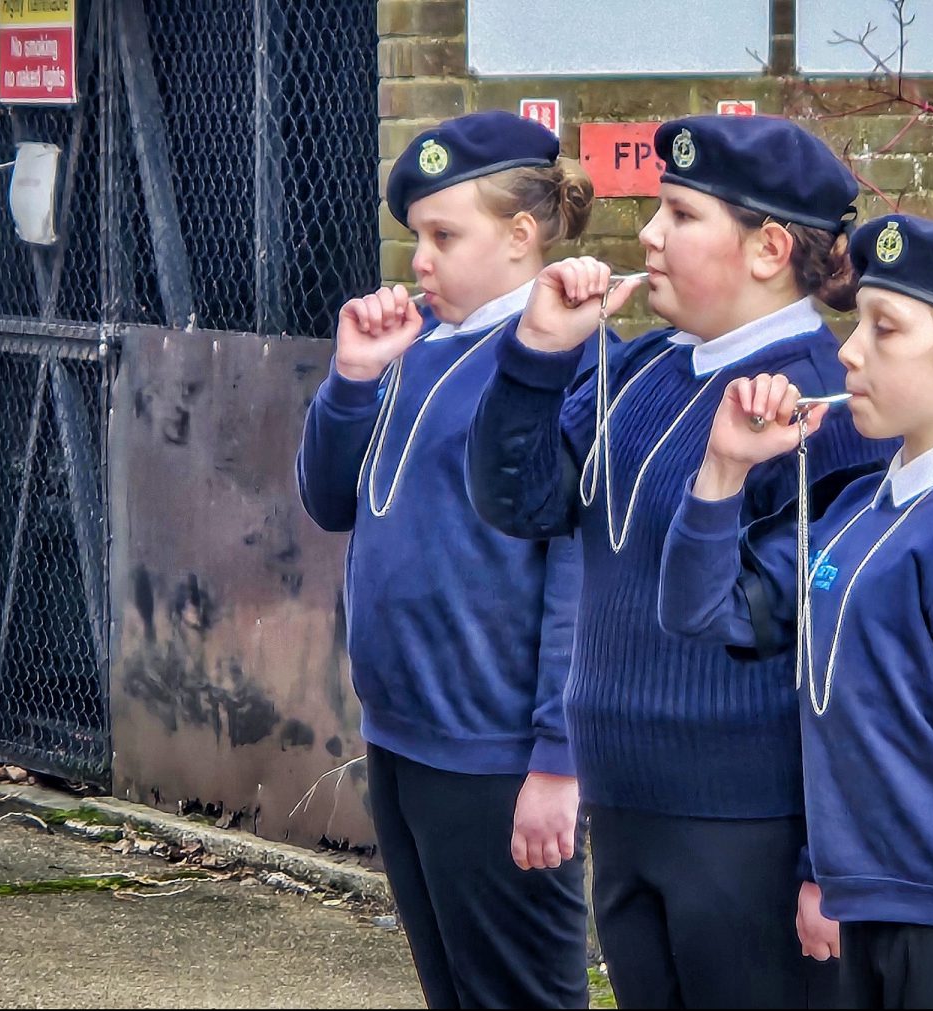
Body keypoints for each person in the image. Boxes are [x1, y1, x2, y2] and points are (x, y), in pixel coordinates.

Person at [465, 115, 897, 1008]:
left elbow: (848, 658)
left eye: (682, 214)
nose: (650, 235)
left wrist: (828, 859)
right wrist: (538, 356)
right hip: (626, 803)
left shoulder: (826, 407)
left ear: (769, 248)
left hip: (749, 823)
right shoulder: (646, 367)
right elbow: (522, 503)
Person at [659, 214, 933, 1009]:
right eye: (857, 325)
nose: (848, 351)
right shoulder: (856, 509)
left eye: (885, 329)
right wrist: (724, 467)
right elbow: (700, 611)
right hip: (865, 913)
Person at [297, 109, 593, 1009]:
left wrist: (558, 757)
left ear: (521, 234)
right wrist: (353, 379)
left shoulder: (567, 358)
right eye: (416, 236)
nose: (419, 260)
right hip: (402, 732)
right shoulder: (417, 343)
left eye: (444, 236)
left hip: (495, 749)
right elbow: (330, 499)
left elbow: (579, 570)